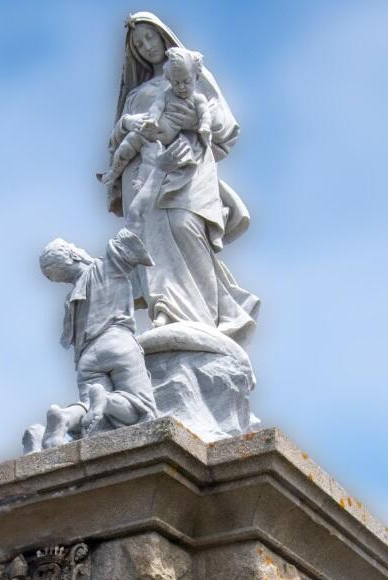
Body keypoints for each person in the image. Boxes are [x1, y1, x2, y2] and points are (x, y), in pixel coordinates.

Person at [106, 12, 260, 343]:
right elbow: (116, 139)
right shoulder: (136, 94)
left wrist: (193, 120)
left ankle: (208, 316)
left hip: (188, 167)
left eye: (149, 37)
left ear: (163, 35)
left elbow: (225, 129)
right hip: (145, 173)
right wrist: (129, 125)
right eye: (139, 43)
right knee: (151, 240)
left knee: (185, 229)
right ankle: (163, 309)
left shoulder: (193, 74)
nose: (146, 46)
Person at [25, 228, 157, 450]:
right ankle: (106, 400)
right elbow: (142, 238)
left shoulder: (71, 300)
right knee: (144, 408)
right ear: (73, 255)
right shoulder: (106, 267)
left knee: (86, 406)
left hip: (87, 358)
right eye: (75, 248)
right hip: (117, 343)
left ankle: (64, 419)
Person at [101, 47, 212, 194]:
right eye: (176, 82)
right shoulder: (166, 94)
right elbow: (157, 107)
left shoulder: (198, 99)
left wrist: (203, 125)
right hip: (146, 132)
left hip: (159, 142)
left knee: (149, 161)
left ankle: (140, 183)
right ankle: (113, 173)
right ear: (170, 80)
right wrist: (151, 119)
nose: (181, 87)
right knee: (125, 148)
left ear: (196, 77)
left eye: (186, 82)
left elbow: (206, 114)